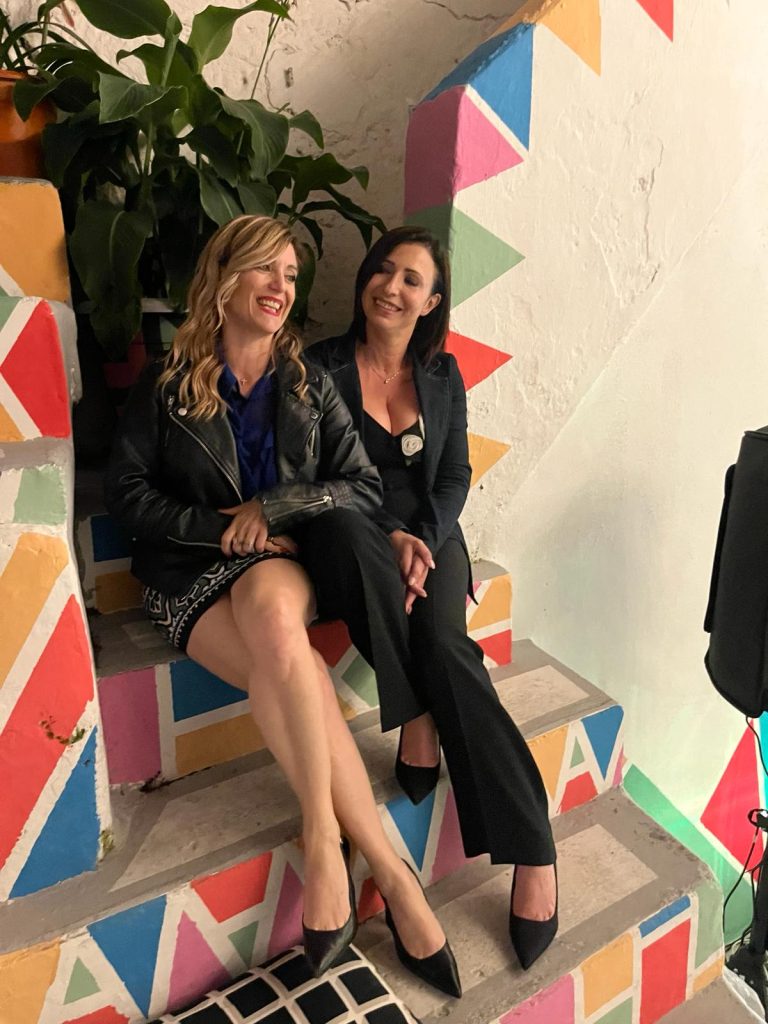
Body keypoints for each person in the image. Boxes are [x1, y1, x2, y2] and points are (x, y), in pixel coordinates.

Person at [105, 215, 461, 997]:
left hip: (276, 564)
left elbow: (360, 484)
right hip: (189, 571)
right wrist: (221, 529)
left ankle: (324, 839)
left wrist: (274, 510)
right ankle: (389, 869)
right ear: (224, 276)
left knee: (273, 616)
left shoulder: (305, 383)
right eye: (265, 268)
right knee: (293, 663)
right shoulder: (167, 383)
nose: (280, 287)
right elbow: (126, 493)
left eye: (292, 275)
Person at [306, 225, 558, 970]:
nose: (391, 287)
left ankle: (534, 849)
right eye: (382, 270)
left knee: (447, 643)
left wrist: (423, 537)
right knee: (358, 549)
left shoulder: (443, 375)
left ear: (432, 300)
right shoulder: (320, 367)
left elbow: (453, 476)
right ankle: (417, 715)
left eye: (411, 279)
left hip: (432, 535)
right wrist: (390, 536)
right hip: (351, 529)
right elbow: (316, 472)